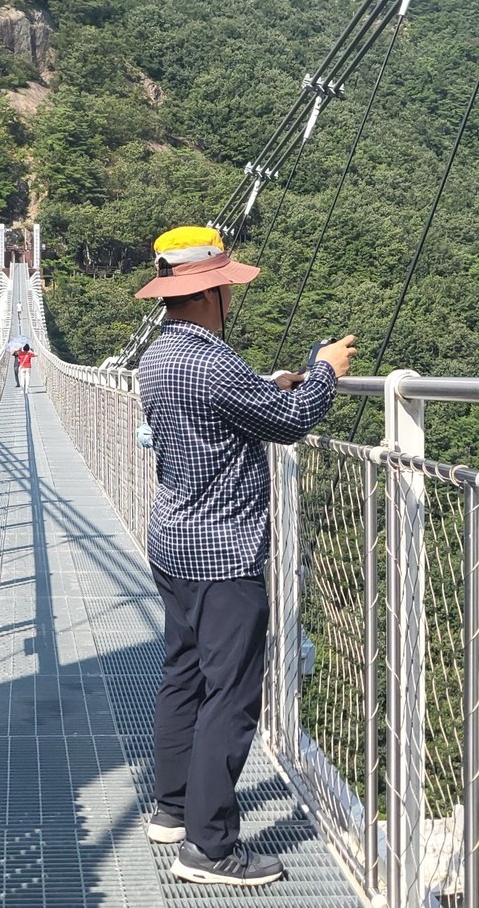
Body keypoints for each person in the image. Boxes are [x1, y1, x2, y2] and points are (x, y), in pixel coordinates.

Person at [136, 226, 356, 888]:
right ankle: (208, 848)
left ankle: (173, 809)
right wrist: (325, 371)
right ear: (210, 293)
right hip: (223, 554)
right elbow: (288, 423)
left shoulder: (159, 355)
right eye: (227, 286)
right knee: (230, 698)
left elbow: (224, 406)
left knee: (183, 675)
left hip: (173, 542)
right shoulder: (211, 361)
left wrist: (270, 383)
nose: (232, 295)